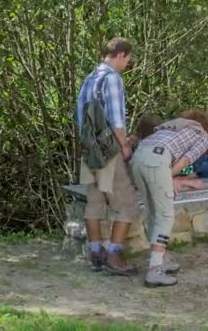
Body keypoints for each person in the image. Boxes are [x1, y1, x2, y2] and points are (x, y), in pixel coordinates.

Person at [130, 109, 208, 287]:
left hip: (138, 157)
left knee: (153, 211)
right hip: (157, 158)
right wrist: (170, 176)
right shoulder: (202, 136)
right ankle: (155, 270)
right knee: (165, 215)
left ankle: (163, 258)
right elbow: (186, 160)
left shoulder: (173, 125)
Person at [76, 37, 138, 276]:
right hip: (108, 149)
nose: (127, 63)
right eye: (128, 59)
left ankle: (95, 253)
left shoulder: (90, 78)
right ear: (121, 55)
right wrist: (124, 145)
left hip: (89, 149)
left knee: (94, 202)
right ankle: (114, 255)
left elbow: (80, 117)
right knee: (126, 204)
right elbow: (116, 119)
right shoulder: (112, 79)